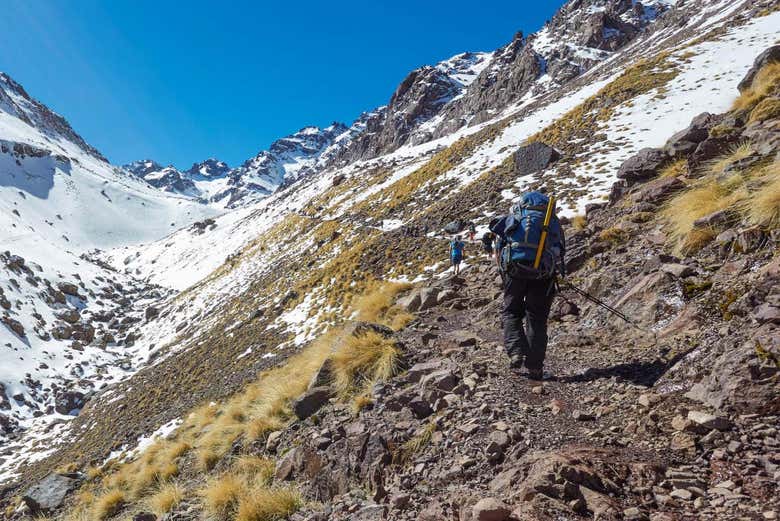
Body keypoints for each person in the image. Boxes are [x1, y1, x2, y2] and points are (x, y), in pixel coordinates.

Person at [490, 191, 565, 380]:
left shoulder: (517, 215)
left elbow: (501, 243)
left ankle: (516, 352)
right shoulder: (550, 219)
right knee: (537, 317)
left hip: (515, 270)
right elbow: (560, 249)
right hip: (543, 273)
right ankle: (535, 368)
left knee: (511, 312)